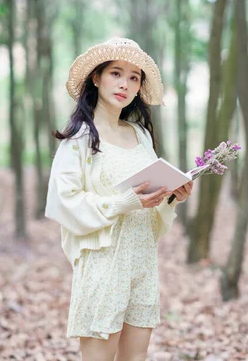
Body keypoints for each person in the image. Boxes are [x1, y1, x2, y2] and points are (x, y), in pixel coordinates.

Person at [45, 37, 193, 360]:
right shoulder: (79, 139)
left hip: (142, 262)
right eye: (116, 73)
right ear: (96, 78)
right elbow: (64, 202)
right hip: (103, 265)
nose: (125, 84)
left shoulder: (140, 135)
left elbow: (146, 199)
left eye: (134, 77)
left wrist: (172, 196)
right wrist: (120, 203)